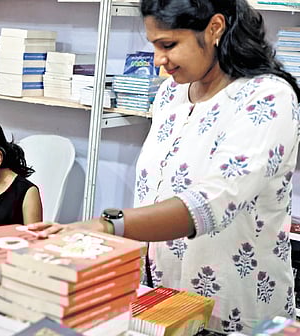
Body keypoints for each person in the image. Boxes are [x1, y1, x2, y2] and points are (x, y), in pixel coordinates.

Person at [28, 0, 300, 333]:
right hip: (165, 303)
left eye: (168, 45)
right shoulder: (172, 94)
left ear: (214, 28)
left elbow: (214, 202)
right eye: (154, 46)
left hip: (234, 312)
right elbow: (156, 191)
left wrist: (105, 226)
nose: (159, 60)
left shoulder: (267, 97)